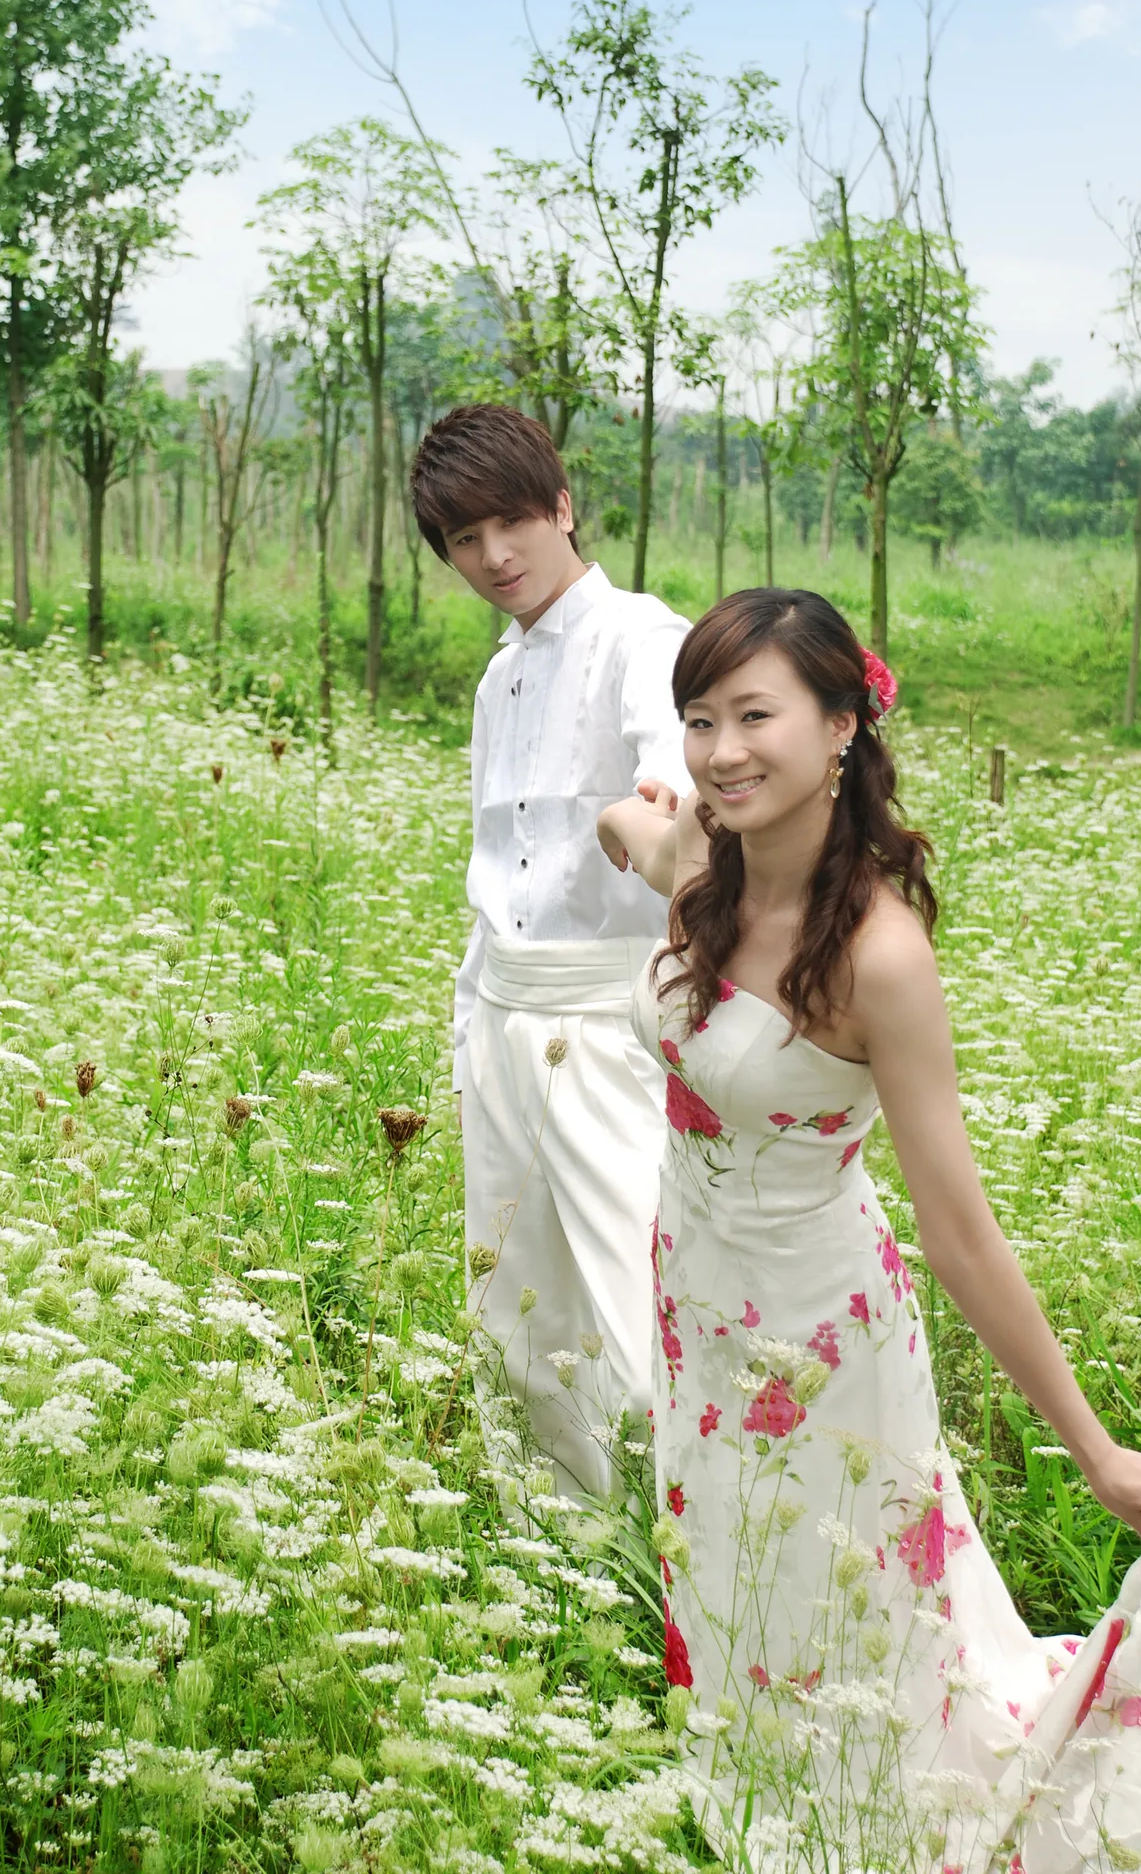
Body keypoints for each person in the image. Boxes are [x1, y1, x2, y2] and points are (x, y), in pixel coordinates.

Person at [596, 587, 1141, 1874]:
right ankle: (760, 1814)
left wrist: (1099, 1453)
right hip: (695, 1304)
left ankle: (867, 1836)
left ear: (842, 725)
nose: (721, 751)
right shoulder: (707, 864)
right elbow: (635, 831)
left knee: (847, 1617)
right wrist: (626, 822)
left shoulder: (879, 957)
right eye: (699, 719)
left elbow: (960, 1236)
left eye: (755, 716)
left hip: (818, 1336)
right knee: (730, 1574)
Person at [409, 403, 690, 1499]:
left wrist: (655, 807)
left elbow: (682, 790)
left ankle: (693, 1549)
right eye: (464, 540)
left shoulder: (641, 638)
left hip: (611, 1023)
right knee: (519, 1306)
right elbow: (496, 874)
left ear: (563, 508)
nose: (494, 557)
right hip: (505, 1017)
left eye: (510, 523)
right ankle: (556, 1545)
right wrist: (467, 1035)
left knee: (642, 1309)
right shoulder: (500, 676)